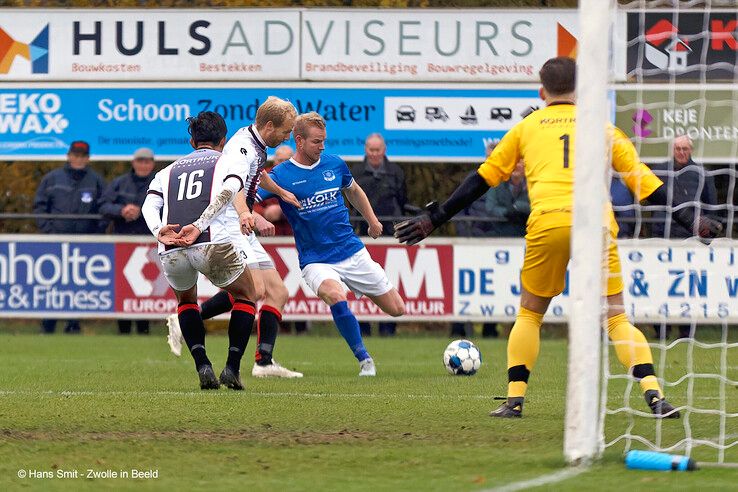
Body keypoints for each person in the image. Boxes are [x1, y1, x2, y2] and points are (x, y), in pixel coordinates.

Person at [395, 56, 721, 419]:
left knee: (530, 314)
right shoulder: (603, 128)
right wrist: (691, 220)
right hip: (595, 227)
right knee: (615, 319)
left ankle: (514, 400)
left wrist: (434, 218)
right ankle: (654, 394)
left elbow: (481, 179)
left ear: (541, 91)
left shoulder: (527, 127)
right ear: (580, 91)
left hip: (548, 223)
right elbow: (644, 182)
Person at [257, 112, 405, 376]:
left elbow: (354, 190)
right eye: (316, 142)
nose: (322, 146)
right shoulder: (280, 175)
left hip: (351, 250)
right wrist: (254, 217)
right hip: (316, 260)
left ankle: (364, 288)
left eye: (324, 141)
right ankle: (364, 360)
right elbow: (246, 196)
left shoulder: (334, 164)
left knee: (397, 309)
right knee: (336, 295)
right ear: (299, 141)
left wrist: (371, 220)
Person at [167, 97, 303, 379]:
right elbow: (235, 186)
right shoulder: (241, 149)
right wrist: (246, 214)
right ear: (269, 126)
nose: (287, 136)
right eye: (286, 131)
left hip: (243, 225)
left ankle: (263, 363)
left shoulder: (255, 143)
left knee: (277, 292)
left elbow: (257, 175)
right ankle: (187, 322)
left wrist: (280, 192)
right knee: (254, 291)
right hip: (231, 224)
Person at [141, 111, 264, 390]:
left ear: (192, 140)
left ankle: (202, 365)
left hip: (170, 247)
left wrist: (159, 231)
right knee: (247, 294)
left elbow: (148, 206)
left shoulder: (167, 170)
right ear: (223, 139)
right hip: (211, 242)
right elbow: (231, 189)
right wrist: (199, 225)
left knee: (186, 302)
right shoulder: (227, 160)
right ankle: (231, 368)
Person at [33, 140, 107, 334]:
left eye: (82, 156)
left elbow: (104, 209)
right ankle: (47, 324)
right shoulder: (52, 178)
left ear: (88, 158)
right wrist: (49, 232)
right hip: (55, 242)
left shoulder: (96, 180)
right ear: (69, 156)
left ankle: (73, 324)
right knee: (50, 282)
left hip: (85, 243)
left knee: (79, 283)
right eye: (75, 155)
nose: (78, 159)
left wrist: (95, 235)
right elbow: (39, 207)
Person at [351, 133, 408, 337]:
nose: (374, 154)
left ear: (384, 150)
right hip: (363, 236)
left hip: (391, 237)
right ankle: (364, 327)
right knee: (365, 281)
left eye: (378, 150)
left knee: (389, 282)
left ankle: (388, 327)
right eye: (371, 150)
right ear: (366, 149)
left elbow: (402, 201)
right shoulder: (355, 172)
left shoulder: (397, 172)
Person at [100, 147, 157, 335]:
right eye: (140, 161)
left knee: (146, 289)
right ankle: (122, 331)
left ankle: (144, 330)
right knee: (123, 288)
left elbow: (168, 208)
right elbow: (103, 206)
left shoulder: (160, 182)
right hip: (122, 244)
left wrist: (141, 212)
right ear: (134, 162)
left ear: (152, 163)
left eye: (147, 161)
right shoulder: (119, 183)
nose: (143, 164)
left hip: (150, 244)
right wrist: (121, 211)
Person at [253, 144, 308, 335]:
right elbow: (246, 204)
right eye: (279, 160)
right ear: (273, 161)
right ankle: (268, 327)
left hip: (294, 240)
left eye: (286, 160)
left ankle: (301, 328)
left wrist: (282, 212)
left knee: (297, 286)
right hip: (267, 242)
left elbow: (307, 206)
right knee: (265, 288)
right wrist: (264, 213)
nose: (282, 164)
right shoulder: (265, 177)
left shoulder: (301, 178)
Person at [650, 135, 718, 239]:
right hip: (660, 232)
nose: (681, 152)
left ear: (691, 150)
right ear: (672, 150)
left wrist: (706, 231)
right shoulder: (658, 171)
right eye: (677, 149)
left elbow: (711, 207)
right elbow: (651, 201)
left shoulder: (702, 174)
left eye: (685, 149)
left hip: (689, 235)